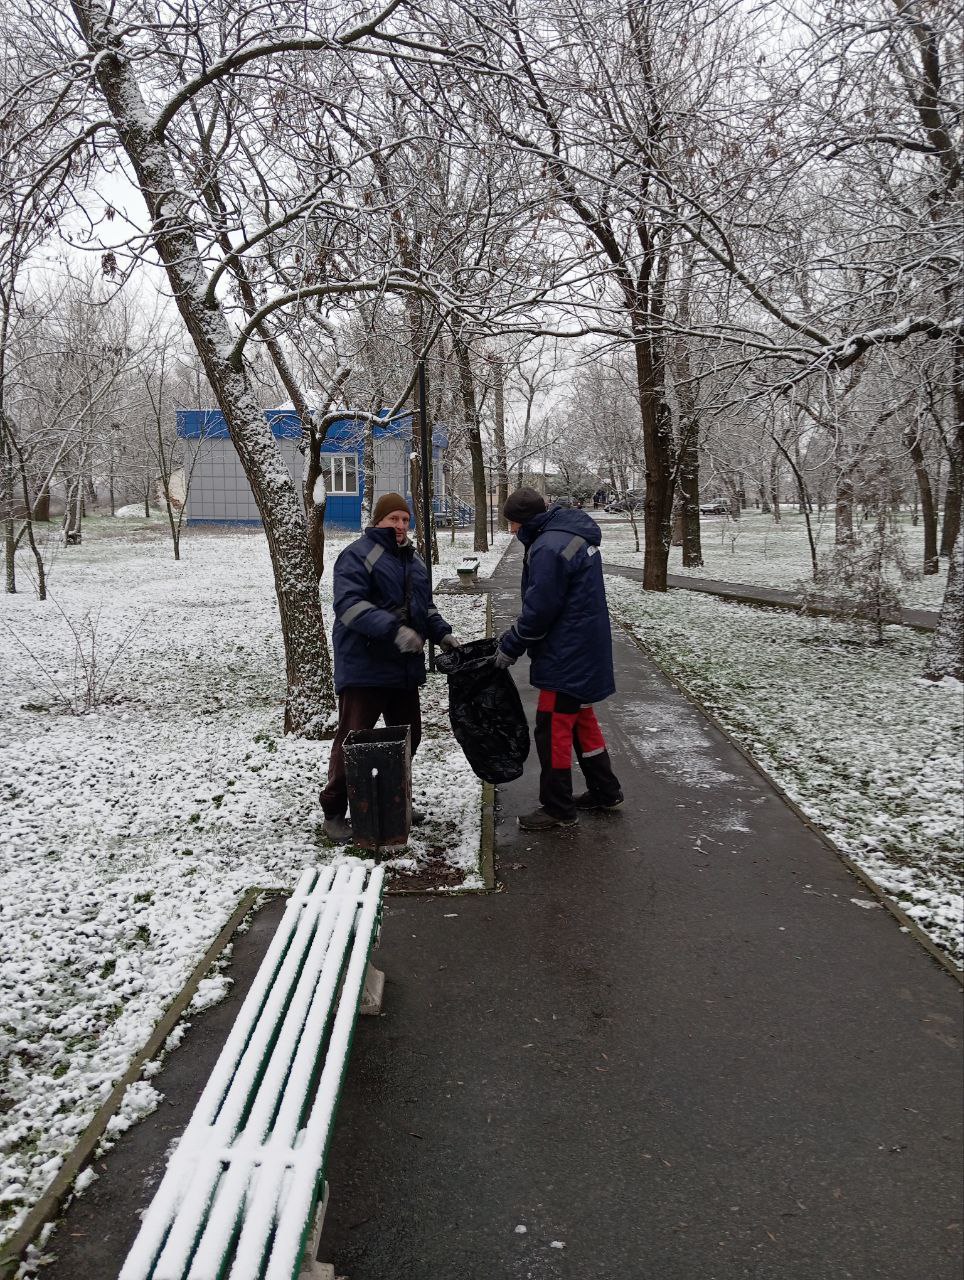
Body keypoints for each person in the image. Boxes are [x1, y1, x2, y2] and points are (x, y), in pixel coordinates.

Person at [319, 492, 459, 841]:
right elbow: (349, 607)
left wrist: (442, 634)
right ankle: (334, 810)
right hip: (364, 665)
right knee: (352, 740)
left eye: (404, 519)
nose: (399, 526)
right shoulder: (357, 556)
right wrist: (394, 630)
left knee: (408, 738)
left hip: (402, 669)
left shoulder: (414, 561)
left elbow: (424, 608)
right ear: (378, 521)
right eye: (393, 518)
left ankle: (396, 800)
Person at [494, 487, 623, 832]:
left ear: (524, 521)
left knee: (552, 727)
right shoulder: (568, 535)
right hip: (585, 648)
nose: (510, 531)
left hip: (566, 655)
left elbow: (541, 610)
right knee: (582, 720)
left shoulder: (549, 547)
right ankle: (605, 790)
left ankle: (557, 807)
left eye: (511, 523)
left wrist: (511, 645)